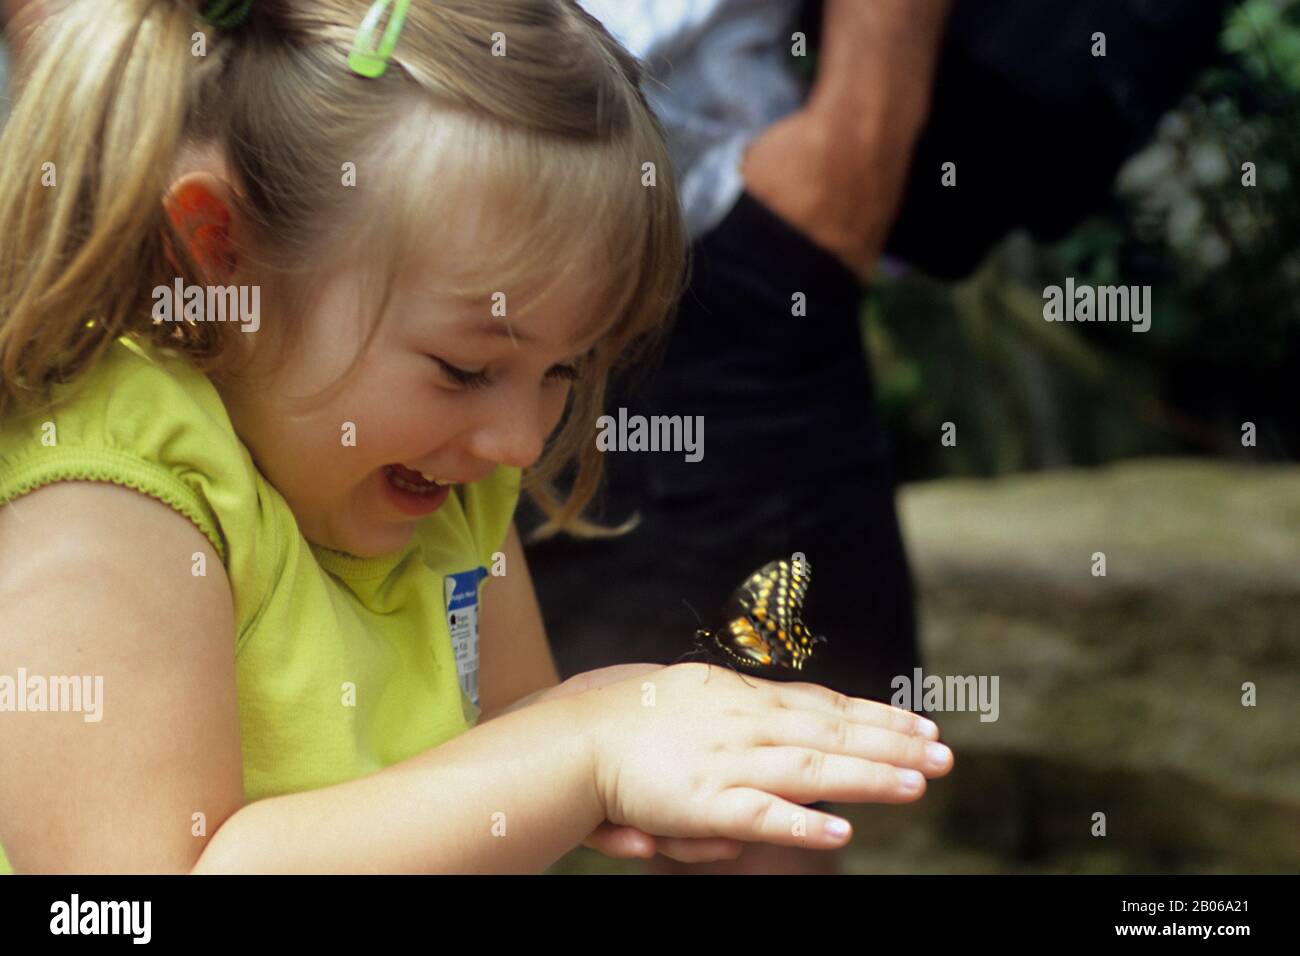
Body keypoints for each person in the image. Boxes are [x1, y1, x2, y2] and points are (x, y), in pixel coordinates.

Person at [0, 0, 952, 875]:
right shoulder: (111, 502)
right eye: (465, 368)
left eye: (565, 373)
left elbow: (495, 747)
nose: (522, 443)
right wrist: (578, 750)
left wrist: (630, 723)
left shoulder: (441, 473)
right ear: (218, 252)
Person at [521, 0, 1234, 876]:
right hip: (472, 237)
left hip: (717, 233)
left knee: (757, 800)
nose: (513, 440)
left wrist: (845, 165)